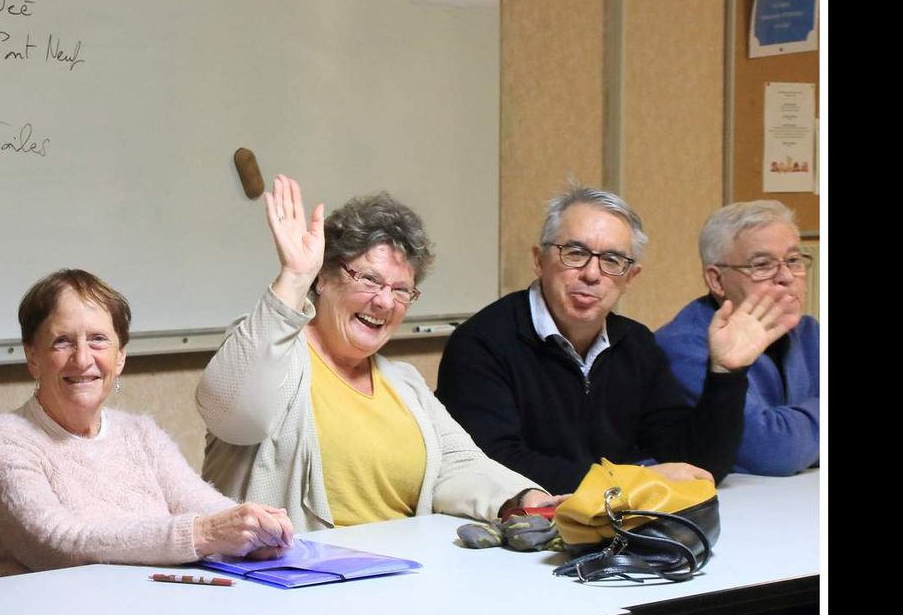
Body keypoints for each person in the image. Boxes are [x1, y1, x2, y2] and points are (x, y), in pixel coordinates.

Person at [197, 175, 561, 532]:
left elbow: (457, 464)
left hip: (395, 578)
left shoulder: (403, 382)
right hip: (286, 580)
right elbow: (232, 414)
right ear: (322, 278)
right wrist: (293, 277)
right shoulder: (271, 351)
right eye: (369, 280)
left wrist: (526, 498)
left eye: (402, 290)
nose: (385, 301)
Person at [435, 185, 790, 495]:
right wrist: (632, 480)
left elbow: (696, 465)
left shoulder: (635, 345)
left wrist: (726, 374)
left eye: (612, 260)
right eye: (574, 254)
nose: (592, 274)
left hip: (612, 530)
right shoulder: (482, 343)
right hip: (518, 535)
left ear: (630, 276)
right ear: (539, 261)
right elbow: (493, 462)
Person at [0, 269, 294, 580]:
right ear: (33, 357)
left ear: (120, 357)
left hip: (139, 608)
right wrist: (208, 533)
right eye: (62, 342)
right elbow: (59, 544)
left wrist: (253, 527)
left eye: (98, 340)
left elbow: (202, 505)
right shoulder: (1, 440)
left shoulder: (140, 432)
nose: (82, 359)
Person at [656, 201, 819, 475]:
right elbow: (773, 451)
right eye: (762, 265)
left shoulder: (809, 331)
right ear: (717, 281)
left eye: (793, 260)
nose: (786, 277)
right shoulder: (683, 344)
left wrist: (800, 437)